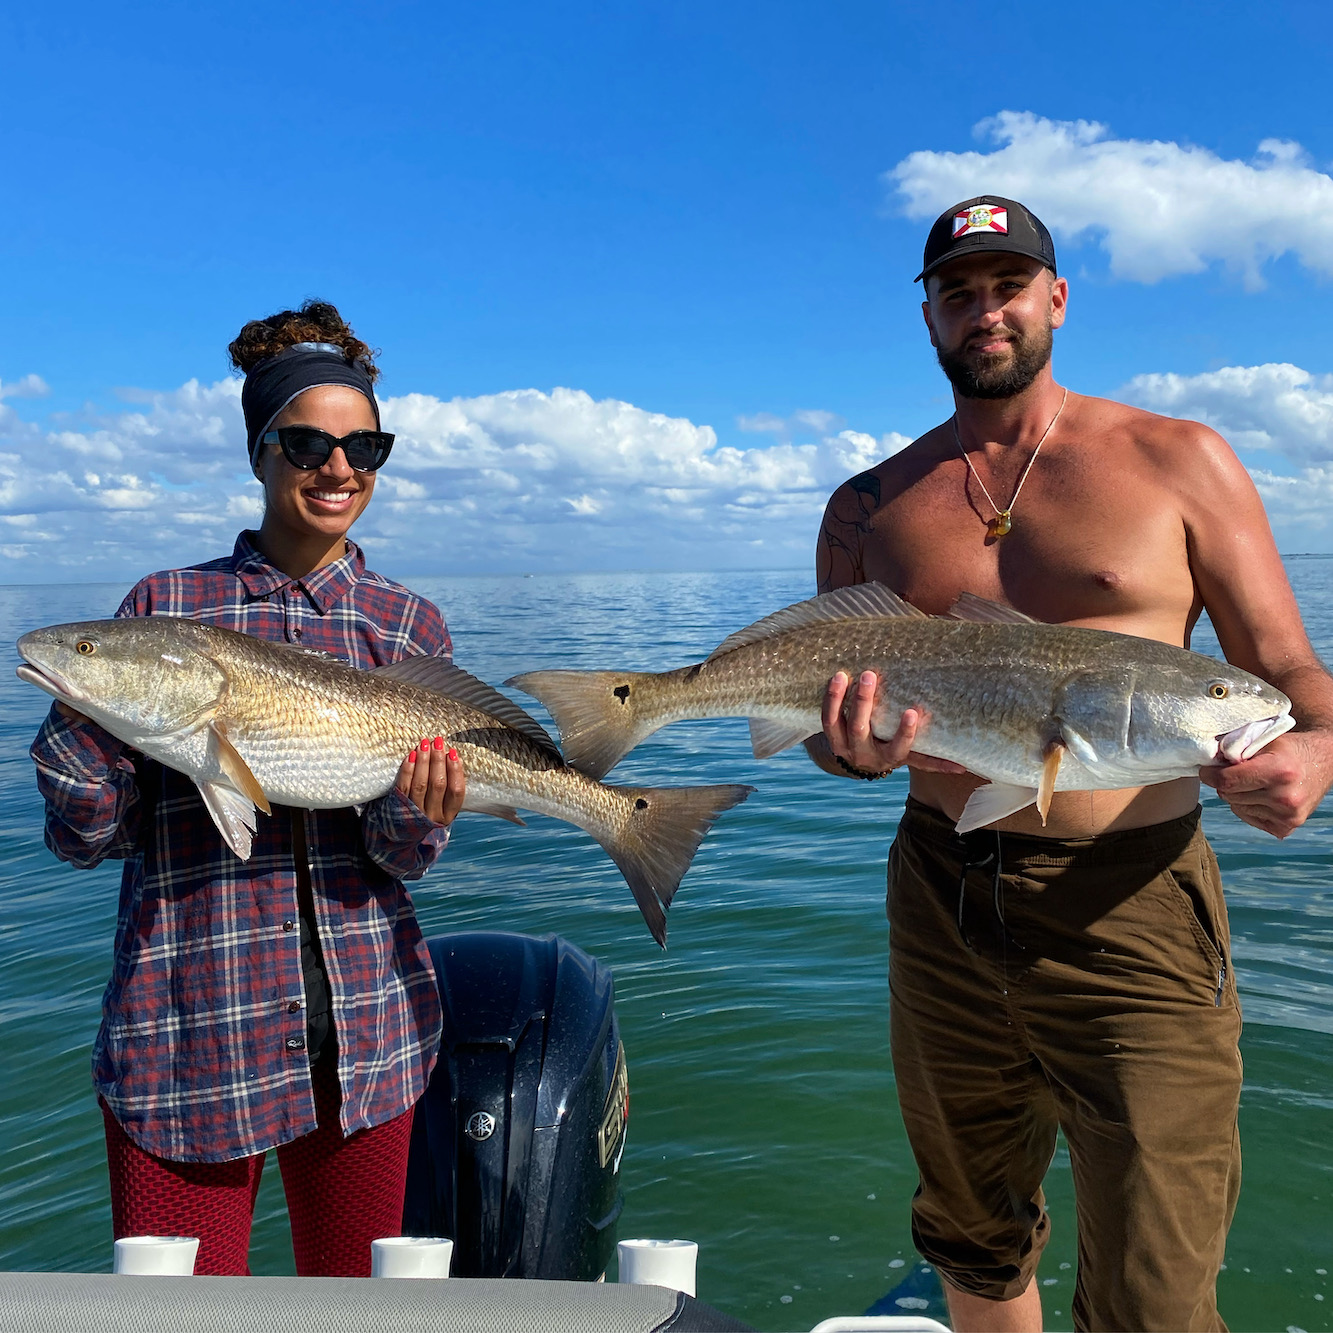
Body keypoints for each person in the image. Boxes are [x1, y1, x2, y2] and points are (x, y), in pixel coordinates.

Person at [812, 197, 1333, 1331]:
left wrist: (1318, 757)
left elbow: (1292, 671)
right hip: (942, 892)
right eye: (956, 291)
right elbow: (825, 729)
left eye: (1007, 284)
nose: (982, 309)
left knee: (1157, 1267)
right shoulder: (867, 506)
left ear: (1055, 297)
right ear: (928, 318)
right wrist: (847, 752)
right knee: (971, 1232)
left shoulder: (1178, 459)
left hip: (1132, 903)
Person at [29, 301, 467, 1277]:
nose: (339, 468)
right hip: (190, 1030)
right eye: (308, 442)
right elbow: (88, 836)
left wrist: (422, 808)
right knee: (172, 1312)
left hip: (370, 1039)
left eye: (365, 446)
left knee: (358, 1306)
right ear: (259, 450)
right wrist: (90, 708)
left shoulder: (407, 624)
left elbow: (403, 857)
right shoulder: (165, 607)